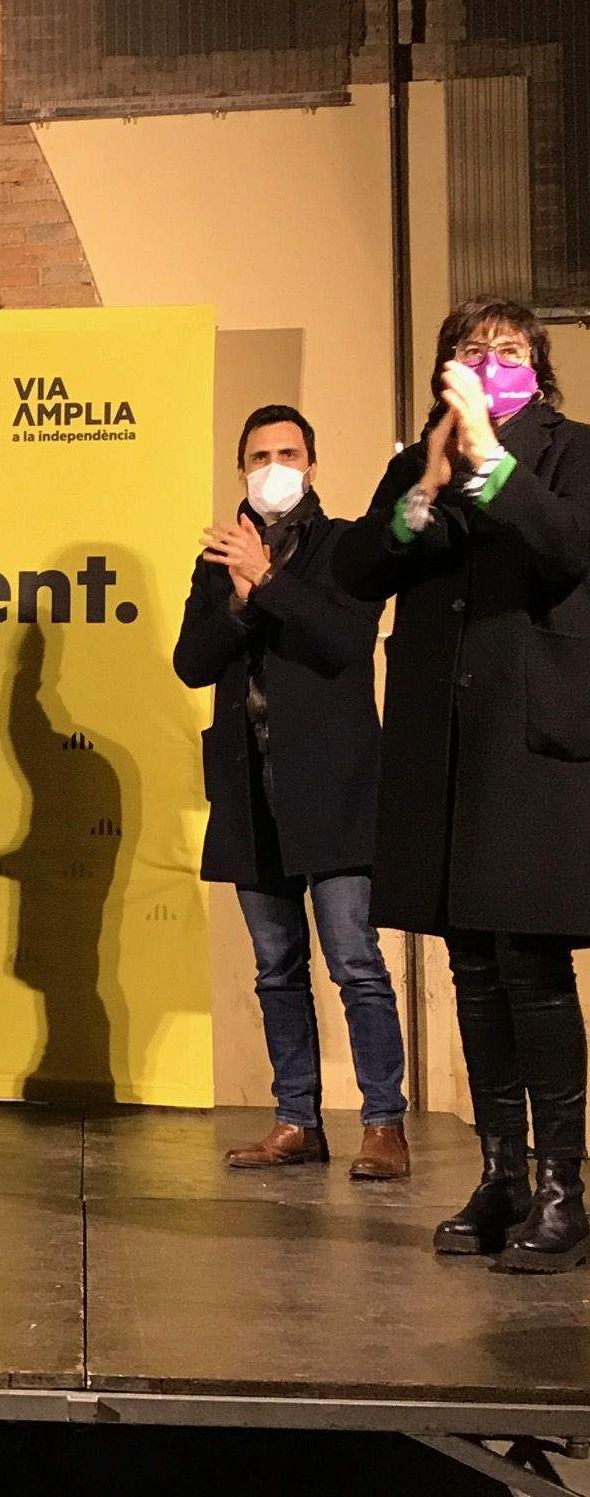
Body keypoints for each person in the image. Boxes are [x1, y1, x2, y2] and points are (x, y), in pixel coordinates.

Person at [334, 297, 590, 1272]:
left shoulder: (571, 453)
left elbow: (565, 547)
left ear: (539, 365)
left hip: (531, 743)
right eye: (471, 350)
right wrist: (422, 490)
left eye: (508, 349)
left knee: (530, 964)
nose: (489, 360)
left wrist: (488, 459)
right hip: (443, 745)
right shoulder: (423, 459)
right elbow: (359, 571)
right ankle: (502, 1178)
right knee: (472, 970)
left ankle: (565, 1190)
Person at [174, 405, 408, 1178]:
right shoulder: (219, 556)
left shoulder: (344, 546)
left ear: (312, 462)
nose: (273, 465)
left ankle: (383, 1123)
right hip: (251, 788)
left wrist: (268, 581)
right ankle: (296, 1118)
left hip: (332, 787)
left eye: (288, 452)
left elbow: (345, 640)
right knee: (276, 966)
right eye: (259, 455)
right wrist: (239, 597)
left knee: (354, 960)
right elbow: (191, 661)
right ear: (240, 469)